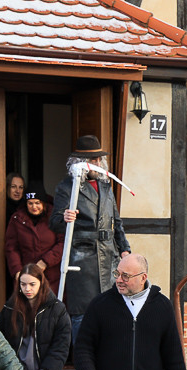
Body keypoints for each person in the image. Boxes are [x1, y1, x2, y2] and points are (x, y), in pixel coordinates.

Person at [50, 135, 131, 342]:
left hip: (108, 252)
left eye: (98, 159)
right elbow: (55, 222)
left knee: (112, 308)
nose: (96, 163)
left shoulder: (106, 186)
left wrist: (124, 249)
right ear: (79, 163)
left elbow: (116, 221)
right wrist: (65, 217)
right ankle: (83, 363)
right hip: (82, 256)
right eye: (92, 160)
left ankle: (107, 359)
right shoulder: (67, 186)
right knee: (82, 313)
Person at [5, 183, 63, 292]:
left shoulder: (54, 217)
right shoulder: (17, 219)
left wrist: (45, 261)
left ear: (43, 203)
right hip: (26, 275)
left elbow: (62, 243)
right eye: (30, 203)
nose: (34, 207)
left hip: (52, 276)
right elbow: (11, 247)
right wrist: (17, 270)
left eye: (37, 203)